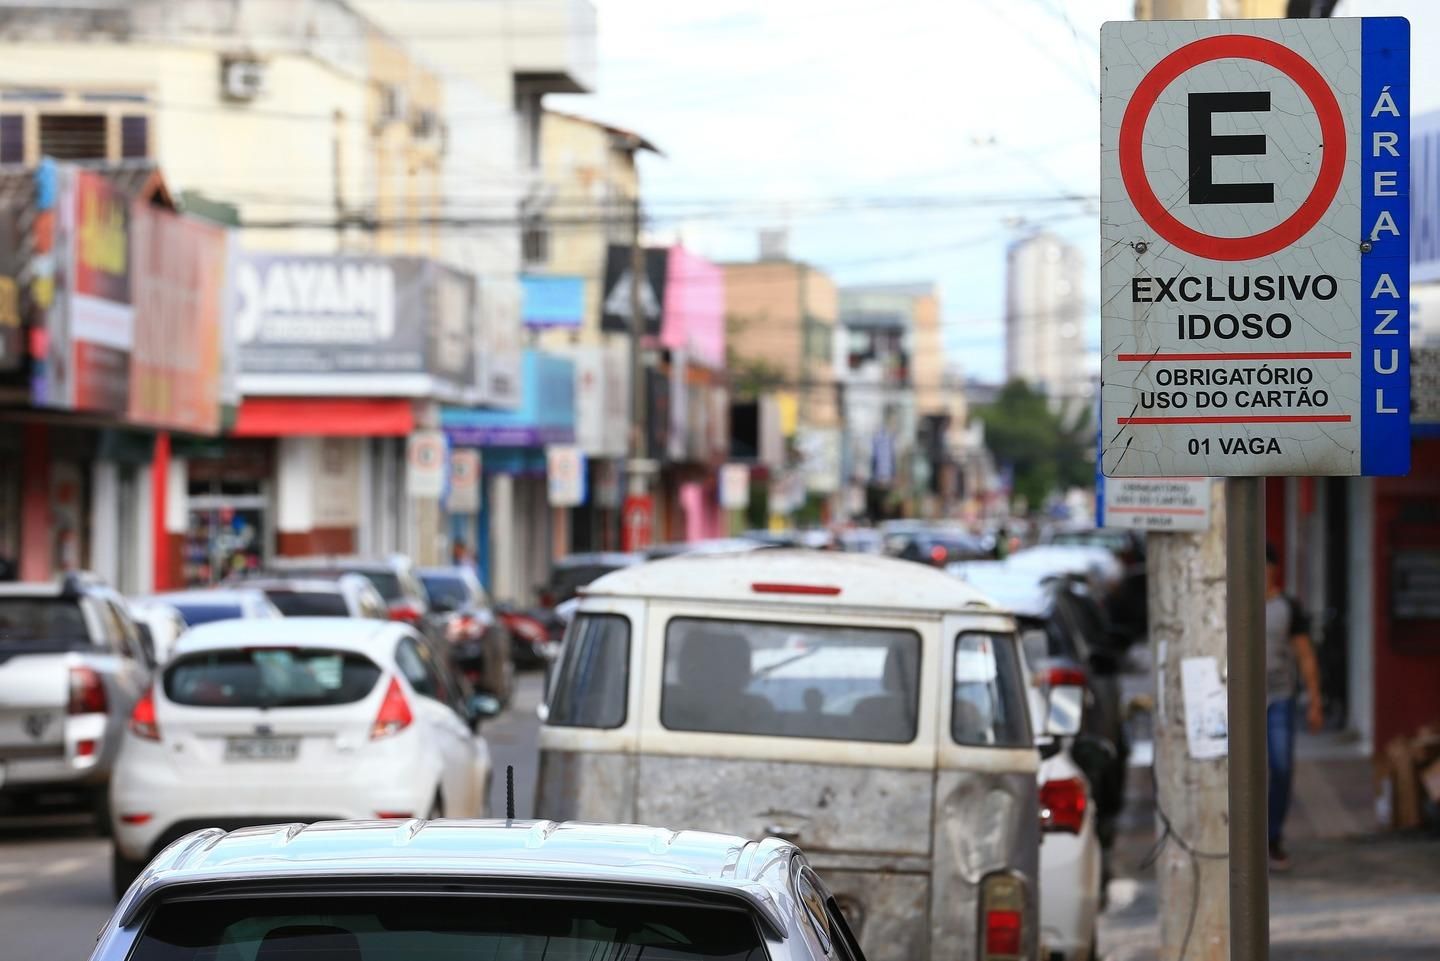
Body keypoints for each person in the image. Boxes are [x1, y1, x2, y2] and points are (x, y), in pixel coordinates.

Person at [1265, 543, 1323, 871]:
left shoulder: (1287, 607)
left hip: (1279, 698)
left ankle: (1272, 837)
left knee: (1282, 765)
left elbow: (1305, 655)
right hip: (1234, 701)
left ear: (1273, 571)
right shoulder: (1229, 603)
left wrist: (1314, 700)